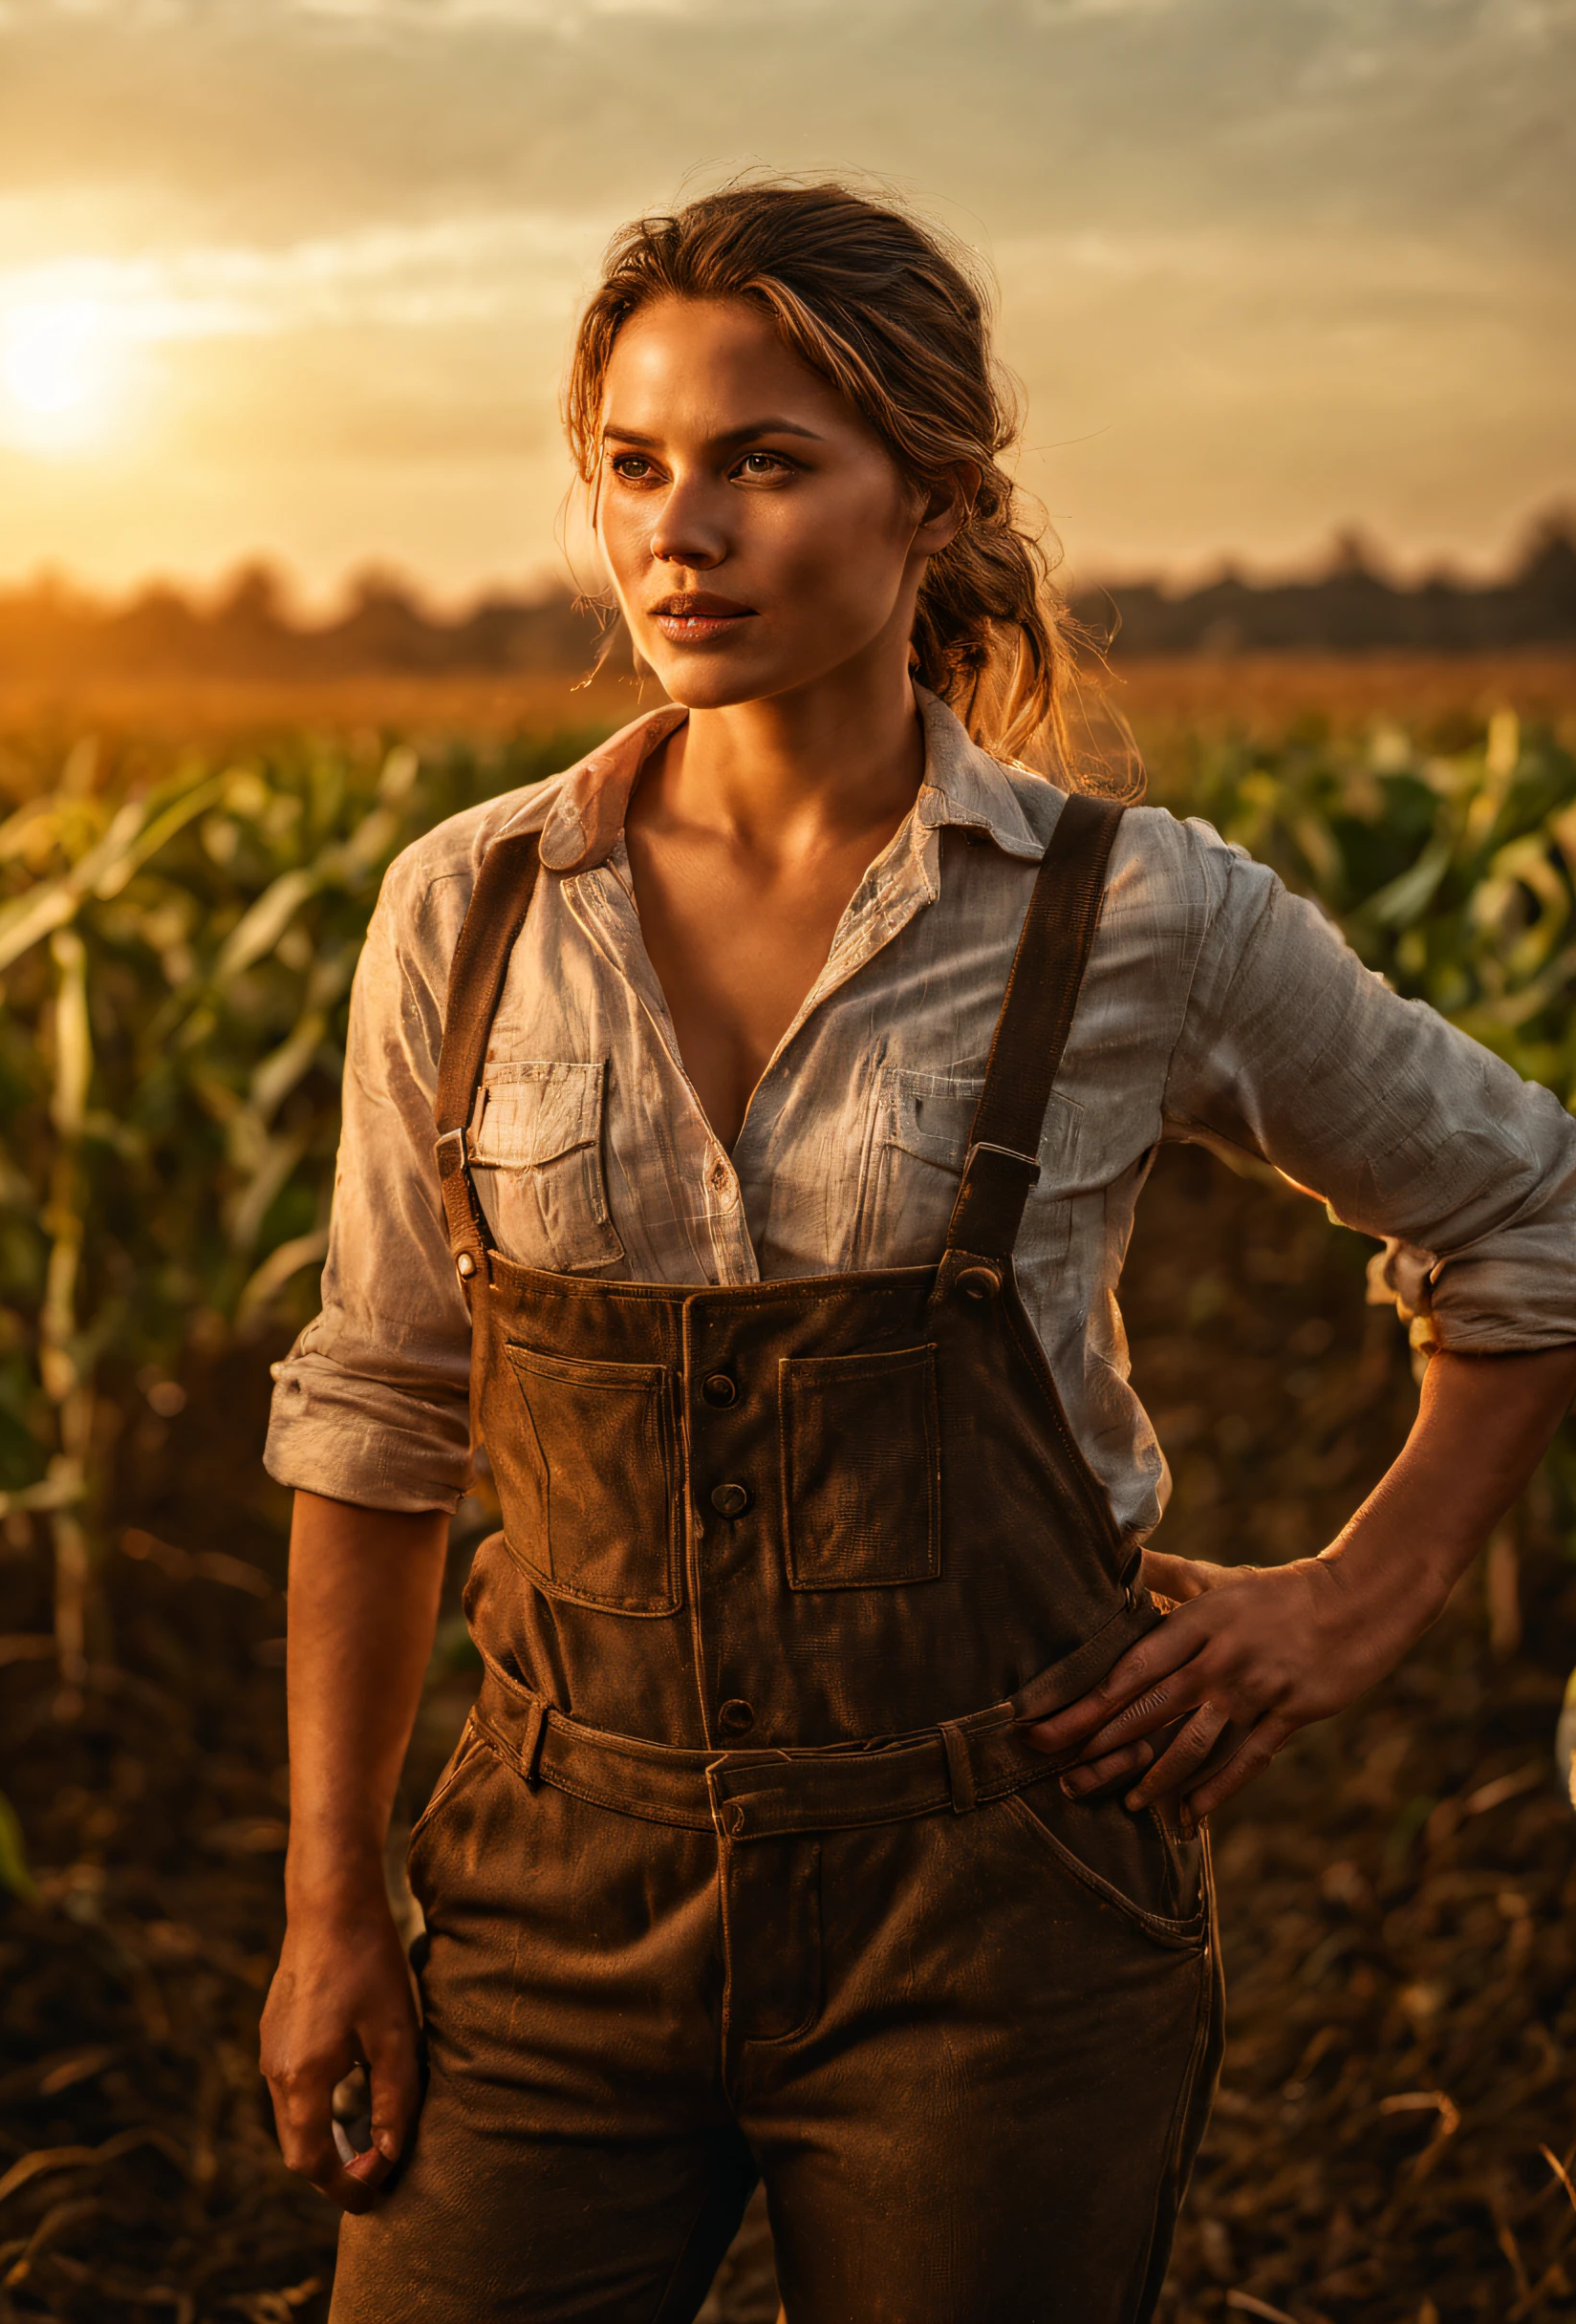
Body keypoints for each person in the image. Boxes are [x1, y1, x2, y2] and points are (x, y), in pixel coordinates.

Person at [258, 183, 1576, 2324]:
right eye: (635, 464)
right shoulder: (471, 904)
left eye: (766, 462)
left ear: (935, 502)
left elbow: (1535, 1208)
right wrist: (330, 1909)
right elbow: (382, 1412)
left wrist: (1358, 1599)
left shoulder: (1134, 914)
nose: (680, 531)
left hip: (1001, 1916)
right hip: (549, 1896)